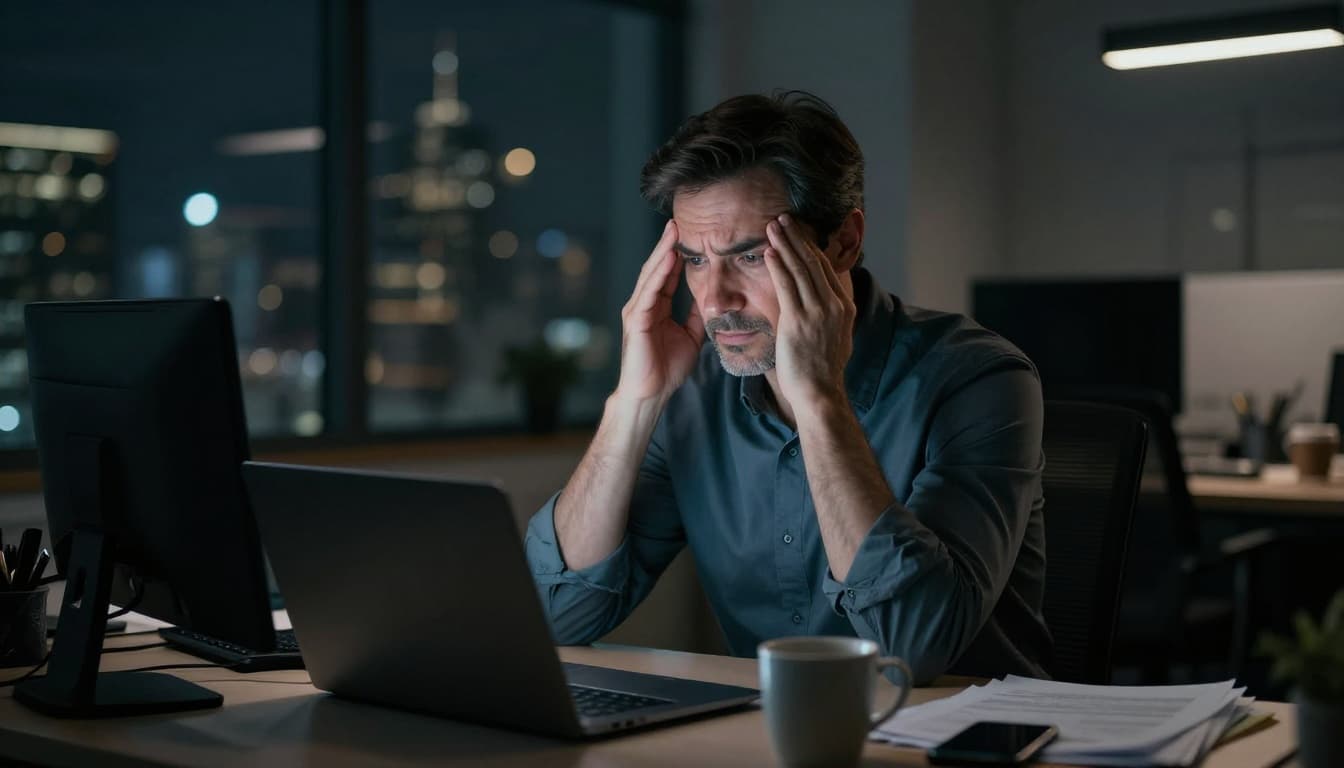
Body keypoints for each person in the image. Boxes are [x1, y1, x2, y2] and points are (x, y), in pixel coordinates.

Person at [524, 91, 1050, 683]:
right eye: (695, 261)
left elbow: (914, 647)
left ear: (844, 242)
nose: (716, 299)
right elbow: (556, 614)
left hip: (962, 739)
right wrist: (634, 404)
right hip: (773, 735)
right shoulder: (695, 395)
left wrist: (820, 399)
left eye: (749, 256)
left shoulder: (979, 378)